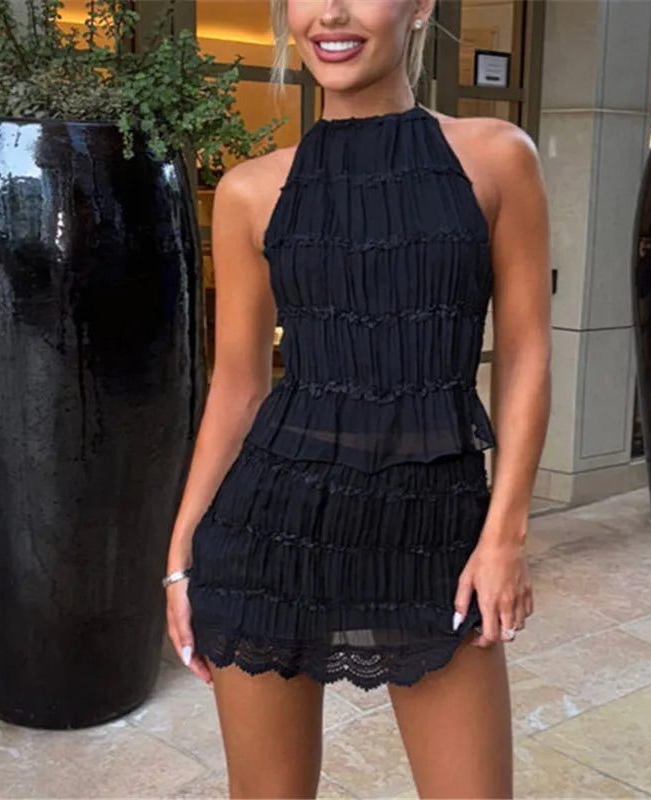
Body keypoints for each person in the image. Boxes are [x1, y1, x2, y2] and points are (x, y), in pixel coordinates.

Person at [164, 0, 551, 796]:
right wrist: (180, 552)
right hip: (269, 539)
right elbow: (238, 386)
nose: (331, 12)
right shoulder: (248, 191)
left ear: (421, 6)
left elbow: (525, 354)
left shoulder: (496, 157)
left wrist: (505, 535)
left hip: (432, 542)